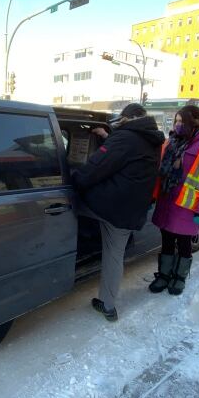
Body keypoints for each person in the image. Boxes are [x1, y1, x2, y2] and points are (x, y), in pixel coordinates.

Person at [72, 103, 165, 321]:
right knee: (114, 257)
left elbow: (95, 168)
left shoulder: (124, 139)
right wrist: (108, 136)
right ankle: (107, 305)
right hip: (131, 210)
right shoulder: (150, 138)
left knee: (71, 206)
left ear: (126, 119)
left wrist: (73, 181)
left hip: (108, 206)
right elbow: (126, 154)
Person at [149, 105, 199, 295]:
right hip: (167, 201)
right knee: (166, 240)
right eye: (176, 121)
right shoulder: (171, 141)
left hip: (187, 206)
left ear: (192, 122)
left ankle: (179, 278)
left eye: (182, 121)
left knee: (183, 244)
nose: (178, 125)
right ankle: (164, 275)